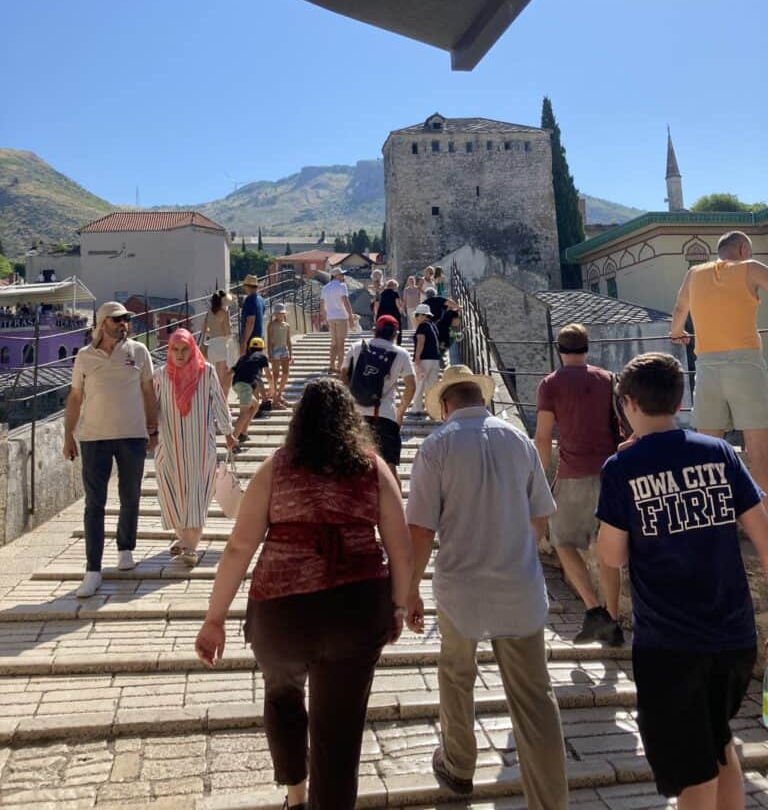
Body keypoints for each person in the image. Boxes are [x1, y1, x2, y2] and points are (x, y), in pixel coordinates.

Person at [195, 378, 413, 810]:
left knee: (282, 696)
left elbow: (240, 547)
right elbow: (401, 548)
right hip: (355, 609)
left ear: (299, 422)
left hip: (281, 613)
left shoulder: (276, 469)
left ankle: (295, 797)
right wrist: (399, 607)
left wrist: (214, 618)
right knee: (340, 731)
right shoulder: (372, 468)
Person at [596, 352, 768, 807]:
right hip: (735, 637)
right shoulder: (721, 453)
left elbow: (610, 555)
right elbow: (763, 535)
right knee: (718, 743)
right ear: (679, 400)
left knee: (692, 772)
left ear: (629, 403)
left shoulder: (622, 469)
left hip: (670, 646)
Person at [406, 365, 568, 806]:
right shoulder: (517, 440)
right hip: (519, 586)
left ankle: (458, 764)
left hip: (461, 587)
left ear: (444, 404)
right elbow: (539, 518)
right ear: (480, 396)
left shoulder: (435, 447)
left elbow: (419, 530)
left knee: (456, 676)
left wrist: (409, 590)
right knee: (535, 700)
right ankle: (551, 802)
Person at [534, 323, 623, 645]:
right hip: (613, 473)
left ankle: (593, 610)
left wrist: (538, 480)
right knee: (608, 551)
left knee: (561, 540)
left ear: (559, 350)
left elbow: (543, 438)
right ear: (587, 349)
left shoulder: (551, 384)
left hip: (575, 473)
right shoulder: (607, 378)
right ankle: (613, 621)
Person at [62, 302, 157, 598]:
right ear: (103, 322)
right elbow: (76, 397)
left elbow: (148, 391)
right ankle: (93, 570)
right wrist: (68, 434)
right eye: (117, 320)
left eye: (126, 320)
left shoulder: (139, 352)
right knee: (94, 504)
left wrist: (153, 430)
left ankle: (125, 548)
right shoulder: (84, 357)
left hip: (131, 435)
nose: (123, 324)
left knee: (130, 496)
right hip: (93, 438)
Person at [670, 230, 768, 492]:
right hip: (746, 364)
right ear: (743, 250)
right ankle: (765, 523)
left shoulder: (694, 274)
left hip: (707, 366)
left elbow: (680, 309)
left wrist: (677, 332)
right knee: (759, 453)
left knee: (708, 451)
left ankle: (715, 519)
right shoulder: (751, 267)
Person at [154, 329, 236, 566]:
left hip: (200, 446)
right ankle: (183, 539)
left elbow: (220, 401)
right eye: (175, 350)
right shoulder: (160, 375)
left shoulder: (206, 372)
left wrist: (228, 432)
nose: (180, 355)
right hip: (169, 447)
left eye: (184, 349)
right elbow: (151, 407)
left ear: (192, 349)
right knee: (173, 493)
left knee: (197, 495)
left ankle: (190, 546)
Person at [342, 315, 416, 487]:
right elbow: (411, 385)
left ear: (375, 330)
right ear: (395, 333)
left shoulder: (357, 347)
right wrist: (401, 411)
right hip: (385, 414)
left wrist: (350, 399)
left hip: (356, 415)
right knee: (389, 467)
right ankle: (397, 509)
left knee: (353, 465)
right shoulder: (401, 353)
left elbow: (343, 374)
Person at [231, 337, 275, 446]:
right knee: (243, 413)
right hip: (246, 386)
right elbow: (269, 375)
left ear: (250, 348)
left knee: (255, 405)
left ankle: (243, 432)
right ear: (262, 348)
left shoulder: (243, 357)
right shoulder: (262, 357)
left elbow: (230, 371)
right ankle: (233, 442)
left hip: (236, 385)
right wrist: (272, 388)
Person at [320, 267, 355, 375]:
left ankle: (331, 366)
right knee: (341, 344)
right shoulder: (342, 286)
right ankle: (340, 368)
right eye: (341, 275)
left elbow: (322, 305)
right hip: (341, 317)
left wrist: (324, 318)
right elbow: (346, 302)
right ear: (336, 276)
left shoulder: (325, 288)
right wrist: (350, 317)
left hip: (331, 317)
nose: (343, 276)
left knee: (334, 343)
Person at [200, 289, 235, 393]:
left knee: (214, 378)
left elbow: (203, 330)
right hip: (222, 347)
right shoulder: (224, 313)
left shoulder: (209, 312)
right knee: (223, 380)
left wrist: (214, 333)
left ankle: (214, 403)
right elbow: (228, 332)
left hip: (211, 347)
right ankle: (222, 405)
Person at [412, 303, 441, 416]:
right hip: (434, 359)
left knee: (419, 383)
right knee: (431, 385)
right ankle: (432, 408)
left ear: (422, 315)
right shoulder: (433, 326)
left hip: (425, 359)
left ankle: (417, 408)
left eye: (417, 315)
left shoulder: (422, 326)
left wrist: (417, 358)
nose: (416, 317)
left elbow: (421, 341)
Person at [267, 303, 293, 409]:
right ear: (275, 314)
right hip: (275, 349)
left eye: (282, 313)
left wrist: (291, 353)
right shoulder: (271, 325)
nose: (280, 315)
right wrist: (269, 353)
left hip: (284, 349)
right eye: (278, 313)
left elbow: (288, 340)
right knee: (276, 374)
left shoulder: (287, 325)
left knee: (286, 373)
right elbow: (268, 340)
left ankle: (279, 394)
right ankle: (275, 398)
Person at [240, 274, 266, 356]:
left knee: (250, 366)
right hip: (259, 338)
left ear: (247, 287)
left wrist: (244, 342)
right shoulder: (261, 300)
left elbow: (250, 321)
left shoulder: (249, 300)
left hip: (251, 340)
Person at [373, 278, 404, 344]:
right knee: (397, 328)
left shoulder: (381, 294)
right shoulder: (395, 293)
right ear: (394, 286)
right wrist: (401, 311)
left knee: (381, 328)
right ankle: (398, 343)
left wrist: (376, 314)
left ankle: (379, 343)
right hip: (393, 314)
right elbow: (398, 304)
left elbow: (376, 304)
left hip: (382, 314)